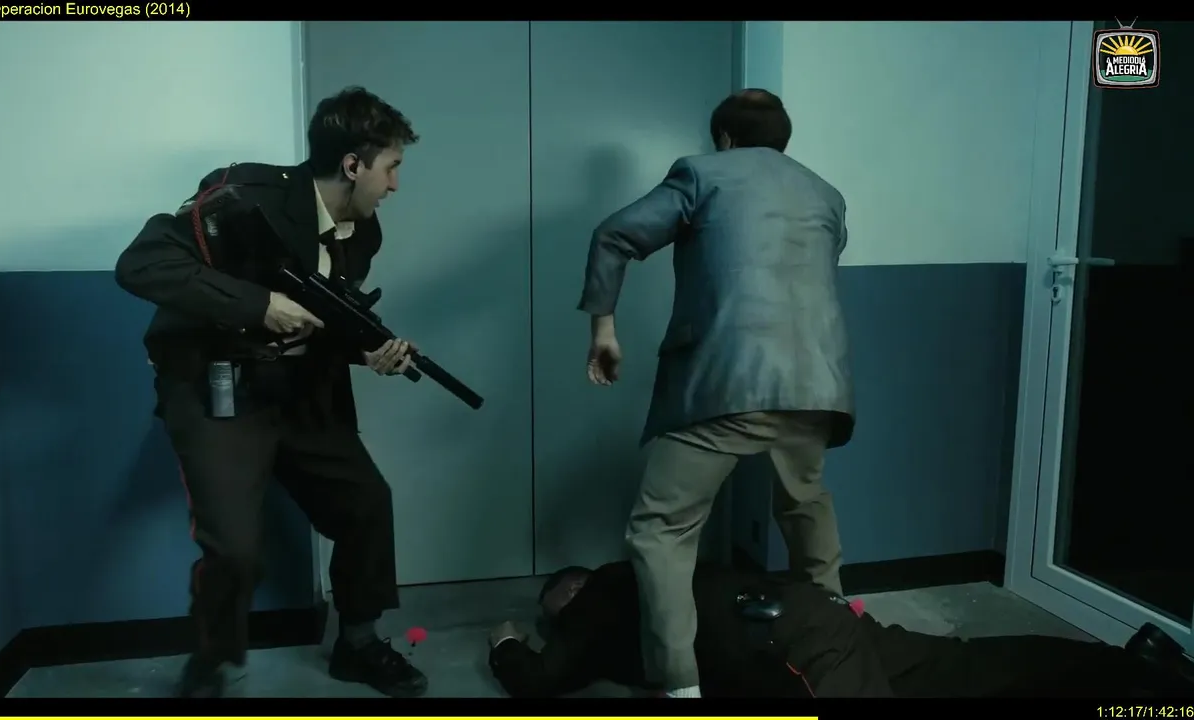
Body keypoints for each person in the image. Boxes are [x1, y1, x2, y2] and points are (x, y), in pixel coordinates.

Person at [114, 86, 428, 699]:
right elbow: (141, 265)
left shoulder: (362, 233)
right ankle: (211, 662)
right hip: (220, 391)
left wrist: (367, 350)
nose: (394, 185)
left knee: (367, 504)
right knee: (233, 548)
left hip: (301, 391)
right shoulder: (246, 195)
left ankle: (359, 643)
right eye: (391, 168)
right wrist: (258, 305)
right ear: (353, 164)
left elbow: (326, 318)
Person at [576, 87, 855, 698]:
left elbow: (614, 235)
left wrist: (604, 330)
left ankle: (678, 688)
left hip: (726, 381)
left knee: (662, 529)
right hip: (817, 384)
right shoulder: (826, 194)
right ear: (782, 140)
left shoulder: (701, 174)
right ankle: (844, 644)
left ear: (725, 138)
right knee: (805, 507)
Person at [487, 561, 1194, 698]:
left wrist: (507, 641)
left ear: (571, 591)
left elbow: (540, 680)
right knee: (969, 668)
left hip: (790, 643)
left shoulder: (597, 599)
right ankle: (1133, 667)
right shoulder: (659, 570)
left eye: (555, 611)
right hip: (809, 613)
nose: (559, 623)